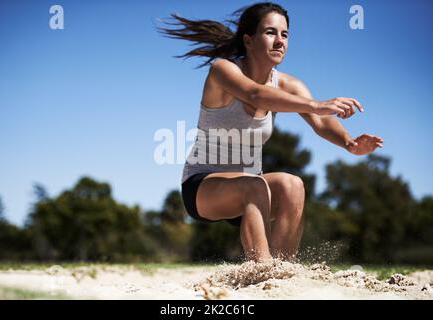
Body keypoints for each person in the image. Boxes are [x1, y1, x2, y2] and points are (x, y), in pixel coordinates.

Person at [159, 2, 383, 262]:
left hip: (254, 189)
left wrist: (350, 143)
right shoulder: (223, 70)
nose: (279, 41)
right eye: (270, 32)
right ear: (249, 40)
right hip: (203, 186)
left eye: (285, 35)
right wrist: (315, 104)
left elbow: (321, 124)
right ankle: (262, 271)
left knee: (292, 185)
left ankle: (281, 273)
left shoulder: (289, 84)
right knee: (254, 185)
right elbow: (255, 94)